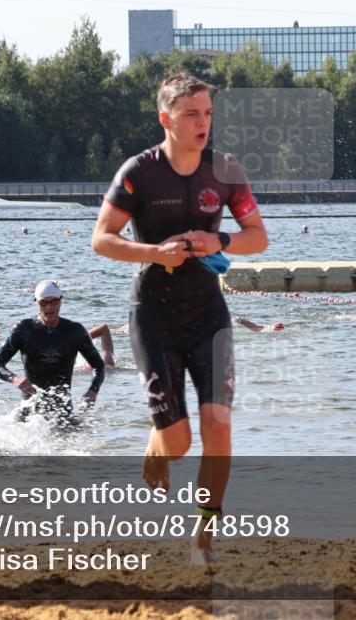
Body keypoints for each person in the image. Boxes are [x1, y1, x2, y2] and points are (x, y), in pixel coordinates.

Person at [91, 73, 269, 565]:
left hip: (209, 312)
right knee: (179, 441)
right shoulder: (139, 172)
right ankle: (158, 439)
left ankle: (203, 540)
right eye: (192, 114)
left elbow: (257, 235)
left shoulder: (226, 170)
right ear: (166, 119)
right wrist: (155, 252)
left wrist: (222, 241)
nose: (203, 122)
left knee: (219, 428)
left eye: (208, 113)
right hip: (153, 316)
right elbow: (102, 237)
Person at [0, 280, 108, 429]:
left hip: (63, 412)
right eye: (43, 302)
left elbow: (99, 366)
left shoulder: (75, 331)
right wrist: (14, 379)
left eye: (54, 302)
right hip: (30, 412)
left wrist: (93, 390)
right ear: (37, 303)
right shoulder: (24, 329)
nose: (49, 307)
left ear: (61, 302)